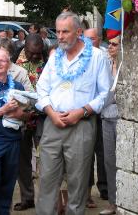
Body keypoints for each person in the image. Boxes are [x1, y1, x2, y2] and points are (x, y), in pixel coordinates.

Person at [35, 12, 111, 215]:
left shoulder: (96, 56)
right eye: (58, 31)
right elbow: (41, 90)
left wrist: (82, 111)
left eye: (65, 32)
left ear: (78, 32)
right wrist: (50, 113)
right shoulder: (55, 57)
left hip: (82, 125)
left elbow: (105, 94)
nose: (59, 36)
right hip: (53, 123)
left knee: (77, 184)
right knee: (47, 181)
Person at [0, 48, 26, 215]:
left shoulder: (18, 86)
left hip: (14, 139)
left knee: (9, 182)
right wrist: (4, 109)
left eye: (2, 61)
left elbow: (27, 114)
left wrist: (21, 114)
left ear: (9, 64)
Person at [13, 34, 46, 211]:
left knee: (46, 158)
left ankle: (45, 199)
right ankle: (27, 197)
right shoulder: (15, 63)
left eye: (38, 53)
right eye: (32, 53)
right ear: (25, 48)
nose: (35, 56)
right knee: (22, 159)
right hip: (22, 117)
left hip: (42, 116)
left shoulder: (47, 61)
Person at [83, 28, 109, 207]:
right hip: (85, 111)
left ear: (98, 39)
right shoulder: (80, 58)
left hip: (102, 112)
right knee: (86, 154)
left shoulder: (106, 55)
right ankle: (86, 192)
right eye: (86, 39)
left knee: (103, 151)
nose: (89, 42)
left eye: (92, 39)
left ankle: (105, 188)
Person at [99, 30, 120, 215]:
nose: (110, 47)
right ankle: (113, 203)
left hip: (120, 117)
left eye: (114, 44)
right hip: (106, 116)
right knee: (109, 161)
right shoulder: (104, 62)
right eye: (109, 44)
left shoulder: (124, 65)